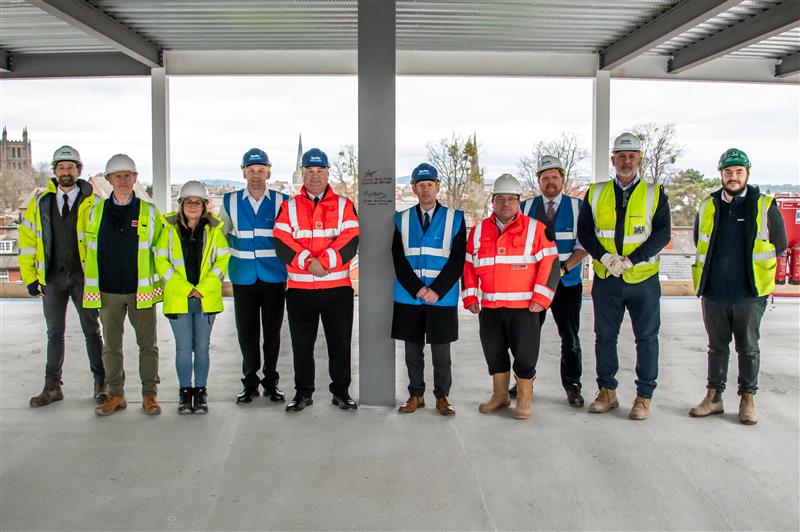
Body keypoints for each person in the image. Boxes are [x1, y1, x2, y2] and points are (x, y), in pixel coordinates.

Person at [576, 132, 671, 421]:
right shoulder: (595, 192)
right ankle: (607, 392)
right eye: (621, 156)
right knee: (604, 336)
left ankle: (644, 397)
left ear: (639, 160)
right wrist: (604, 257)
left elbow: (662, 234)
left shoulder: (655, 193)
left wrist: (632, 260)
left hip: (642, 278)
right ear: (613, 160)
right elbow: (586, 232)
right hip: (607, 278)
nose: (626, 161)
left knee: (647, 338)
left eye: (632, 156)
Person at [689, 148, 787, 425]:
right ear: (721, 174)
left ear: (747, 174)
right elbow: (700, 240)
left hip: (749, 292)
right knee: (716, 347)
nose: (733, 177)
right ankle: (714, 398)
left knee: (748, 348)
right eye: (728, 172)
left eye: (738, 172)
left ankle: (747, 400)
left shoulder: (764, 204)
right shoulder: (708, 205)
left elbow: (778, 243)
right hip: (714, 291)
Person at [462, 174, 559, 420]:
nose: (506, 204)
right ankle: (501, 396)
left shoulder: (536, 229)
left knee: (526, 355)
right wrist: (470, 296)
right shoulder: (478, 231)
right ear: (492, 201)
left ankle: (524, 399)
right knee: (494, 353)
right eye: (500, 199)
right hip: (491, 307)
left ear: (519, 202)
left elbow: (551, 265)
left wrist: (542, 298)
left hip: (525, 308)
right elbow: (468, 265)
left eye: (511, 199)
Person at [274, 148, 360, 412]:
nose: (314, 176)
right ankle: (303, 393)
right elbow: (281, 241)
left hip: (337, 289)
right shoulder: (288, 207)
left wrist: (323, 263)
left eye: (320, 171)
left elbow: (351, 239)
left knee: (340, 343)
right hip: (301, 290)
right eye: (309, 171)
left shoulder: (345, 205)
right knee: (301, 345)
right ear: (303, 173)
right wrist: (307, 263)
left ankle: (341, 392)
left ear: (327, 173)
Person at [18, 145, 104, 407]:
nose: (66, 172)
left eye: (71, 167)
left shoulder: (94, 202)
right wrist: (30, 277)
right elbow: (28, 240)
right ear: (55, 171)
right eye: (61, 167)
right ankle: (52, 385)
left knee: (92, 330)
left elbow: (104, 241)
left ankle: (101, 383)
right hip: (52, 277)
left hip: (84, 277)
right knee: (54, 332)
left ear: (79, 170)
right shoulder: (40, 202)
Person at [82, 154, 164, 416]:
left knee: (148, 346)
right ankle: (116, 395)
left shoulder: (149, 212)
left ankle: (149, 395)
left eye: (128, 175)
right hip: (107, 292)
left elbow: (162, 251)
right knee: (111, 347)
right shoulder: (95, 213)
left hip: (140, 292)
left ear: (135, 178)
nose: (124, 180)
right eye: (118, 176)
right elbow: (86, 250)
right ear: (108, 180)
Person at [392, 163, 466, 416]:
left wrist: (436, 290)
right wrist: (418, 289)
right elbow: (398, 259)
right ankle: (416, 394)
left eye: (429, 185)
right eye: (420, 185)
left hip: (441, 298)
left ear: (437, 187)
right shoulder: (401, 219)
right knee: (412, 352)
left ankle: (442, 396)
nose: (425, 190)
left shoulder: (455, 218)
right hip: (409, 297)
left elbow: (458, 259)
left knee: (441, 354)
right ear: (413, 189)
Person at [514, 155, 588, 407]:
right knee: (528, 335)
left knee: (570, 337)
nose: (550, 182)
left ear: (562, 179)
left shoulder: (579, 207)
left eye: (554, 177)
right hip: (533, 285)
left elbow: (584, 245)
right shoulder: (524, 208)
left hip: (567, 284)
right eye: (545, 178)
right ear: (539, 181)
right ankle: (524, 381)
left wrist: (565, 268)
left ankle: (573, 385)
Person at [220, 148, 289, 404]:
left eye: (261, 171)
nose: (256, 176)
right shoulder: (230, 201)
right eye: (251, 171)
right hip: (243, 276)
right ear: (244, 173)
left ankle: (271, 382)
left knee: (272, 333)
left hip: (273, 276)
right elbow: (221, 238)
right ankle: (249, 383)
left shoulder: (283, 201)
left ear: (268, 172)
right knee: (246, 332)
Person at [156, 181, 230, 414]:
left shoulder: (214, 230)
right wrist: (186, 289)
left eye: (198, 202)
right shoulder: (168, 230)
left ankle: (201, 392)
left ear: (205, 205)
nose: (193, 206)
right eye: (188, 201)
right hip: (179, 299)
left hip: (205, 299)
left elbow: (221, 262)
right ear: (181, 204)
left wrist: (203, 289)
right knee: (183, 347)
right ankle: (185, 392)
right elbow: (161, 261)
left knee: (202, 348)